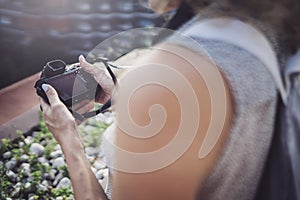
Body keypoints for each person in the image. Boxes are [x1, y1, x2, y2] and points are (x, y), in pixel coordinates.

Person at [39, 0, 300, 199]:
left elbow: (183, 93)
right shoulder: (266, 36)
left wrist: (68, 138)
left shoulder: (173, 78)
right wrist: (123, 88)